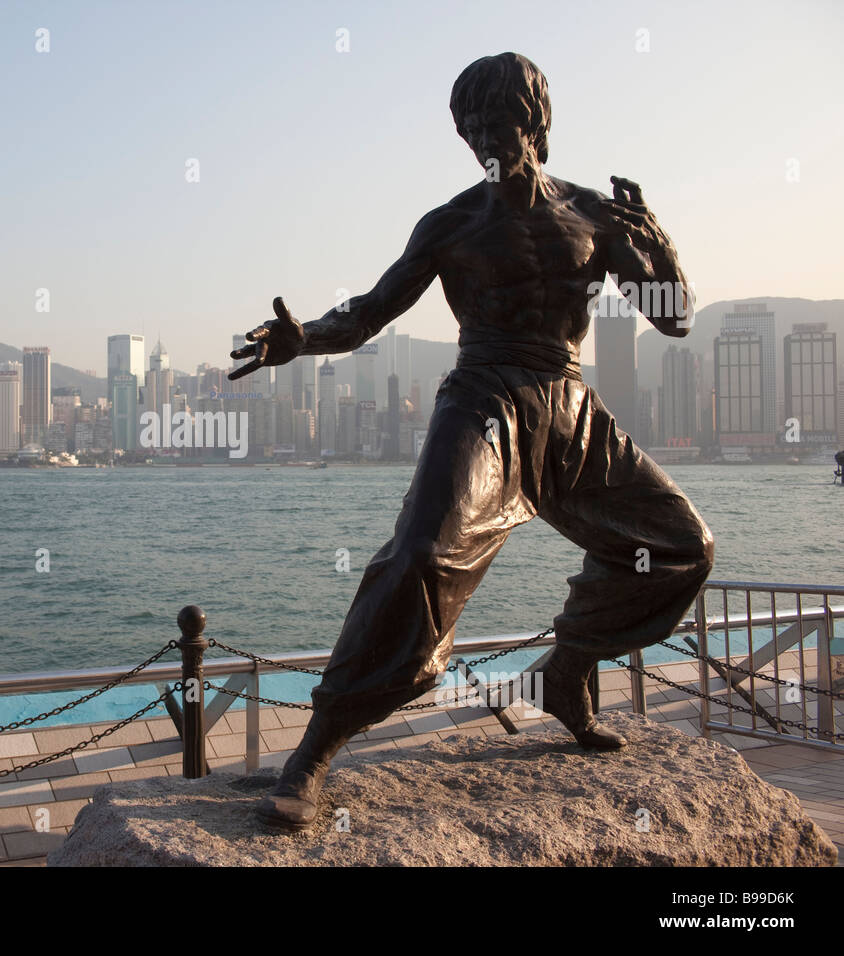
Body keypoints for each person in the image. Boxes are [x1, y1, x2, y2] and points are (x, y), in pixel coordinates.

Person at [229, 53, 715, 831]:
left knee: (683, 545)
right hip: (483, 401)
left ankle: (568, 670)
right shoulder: (451, 224)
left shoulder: (593, 214)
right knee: (420, 558)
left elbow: (676, 317)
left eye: (502, 123)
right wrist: (303, 339)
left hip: (569, 407)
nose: (488, 139)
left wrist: (655, 238)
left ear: (538, 124)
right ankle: (314, 752)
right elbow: (366, 314)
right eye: (473, 129)